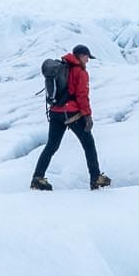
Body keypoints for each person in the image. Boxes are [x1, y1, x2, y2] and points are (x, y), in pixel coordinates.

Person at [31, 45, 111, 191]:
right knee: (88, 144)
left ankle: (38, 178)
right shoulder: (79, 72)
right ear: (81, 55)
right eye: (87, 57)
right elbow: (82, 96)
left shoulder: (62, 67)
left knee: (51, 146)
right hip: (72, 113)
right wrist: (87, 116)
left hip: (55, 112)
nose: (88, 61)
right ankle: (96, 178)